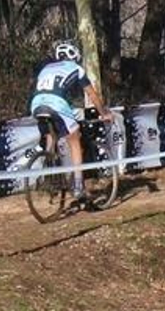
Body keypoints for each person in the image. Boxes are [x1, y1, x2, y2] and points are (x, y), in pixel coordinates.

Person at [29, 41, 115, 205]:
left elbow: (51, 90)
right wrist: (104, 113)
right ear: (75, 57)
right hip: (56, 104)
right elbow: (92, 95)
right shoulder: (76, 69)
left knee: (50, 136)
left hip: (36, 105)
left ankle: (50, 168)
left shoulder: (46, 68)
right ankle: (78, 186)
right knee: (75, 139)